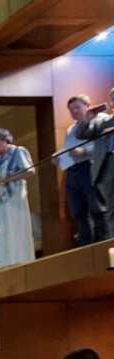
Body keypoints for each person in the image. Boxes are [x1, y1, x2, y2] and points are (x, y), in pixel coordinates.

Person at [57, 95, 110, 246]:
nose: (74, 111)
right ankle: (86, 247)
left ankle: (103, 245)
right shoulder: (71, 129)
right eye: (71, 110)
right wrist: (59, 157)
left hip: (91, 167)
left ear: (88, 105)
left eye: (77, 107)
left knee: (97, 209)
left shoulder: (101, 119)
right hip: (73, 171)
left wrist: (85, 151)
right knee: (78, 212)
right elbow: (68, 149)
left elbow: (107, 144)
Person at [0, 128, 36, 268]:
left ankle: (20, 259)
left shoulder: (18, 151)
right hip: (1, 198)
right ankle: (6, 262)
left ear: (4, 140)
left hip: (15, 195)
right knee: (4, 230)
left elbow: (29, 170)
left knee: (16, 228)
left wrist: (8, 178)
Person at [76, 87, 114, 236]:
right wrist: (88, 118)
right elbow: (81, 134)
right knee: (111, 210)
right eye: (113, 98)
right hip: (106, 168)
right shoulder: (103, 121)